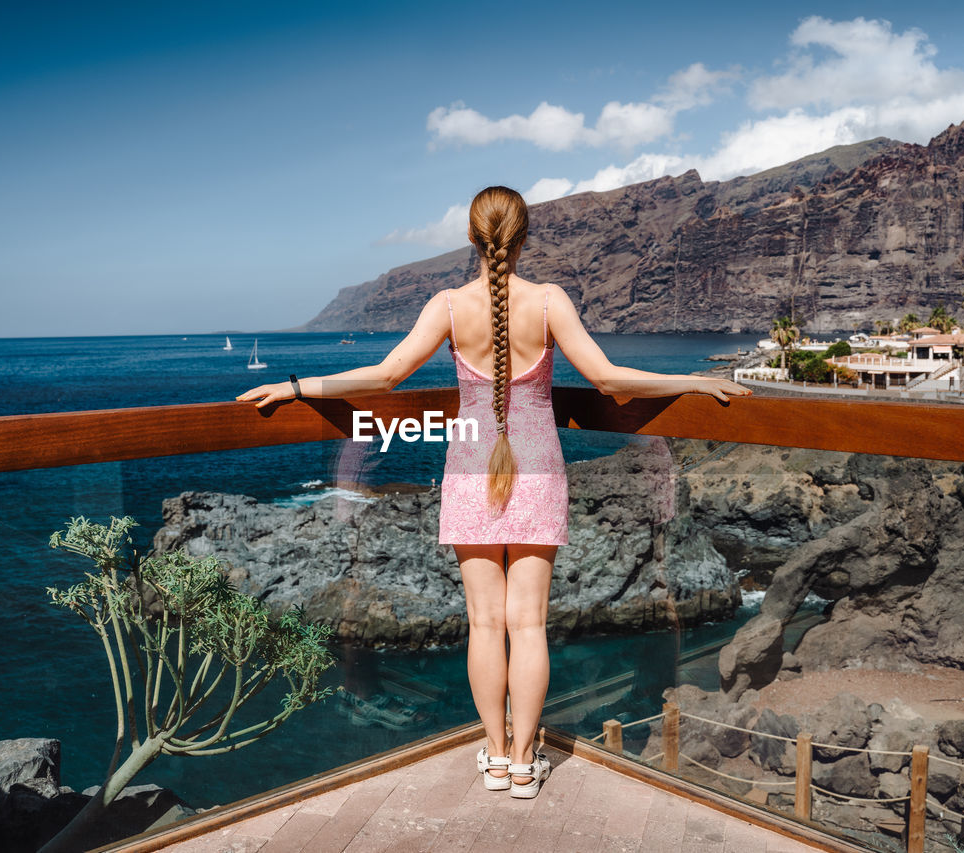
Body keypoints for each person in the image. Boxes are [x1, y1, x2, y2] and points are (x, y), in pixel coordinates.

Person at [238, 185, 752, 798]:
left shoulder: (449, 306)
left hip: (470, 468)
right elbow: (609, 379)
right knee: (528, 625)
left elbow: (385, 375)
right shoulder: (548, 302)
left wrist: (299, 386)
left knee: (485, 624)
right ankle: (528, 763)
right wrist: (689, 381)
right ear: (524, 236)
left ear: (472, 238)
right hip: (538, 468)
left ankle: (496, 752)